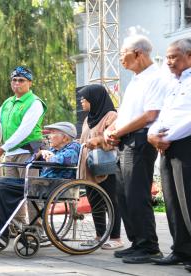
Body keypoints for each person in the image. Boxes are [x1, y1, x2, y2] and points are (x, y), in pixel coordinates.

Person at [104, 34, 166, 263]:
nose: (120, 58)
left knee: (136, 194)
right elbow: (126, 113)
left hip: (140, 140)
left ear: (138, 53)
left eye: (123, 53)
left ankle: (149, 246)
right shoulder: (136, 79)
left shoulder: (156, 77)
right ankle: (137, 242)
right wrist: (111, 131)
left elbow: (150, 115)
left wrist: (118, 132)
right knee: (123, 194)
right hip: (125, 140)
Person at [148, 38, 191, 272]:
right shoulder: (173, 83)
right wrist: (153, 134)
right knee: (172, 200)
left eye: (174, 57)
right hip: (168, 144)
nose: (169, 62)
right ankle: (181, 249)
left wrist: (168, 136)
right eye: (168, 57)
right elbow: (163, 115)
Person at [0, 122, 80, 240]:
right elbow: (29, 162)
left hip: (54, 185)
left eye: (53, 133)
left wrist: (46, 155)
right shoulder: (53, 149)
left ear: (65, 137)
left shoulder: (73, 146)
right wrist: (40, 153)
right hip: (42, 184)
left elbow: (65, 160)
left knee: (1, 188)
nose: (49, 136)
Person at [0, 66, 47, 224]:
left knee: (32, 193)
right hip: (10, 154)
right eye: (14, 80)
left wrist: (3, 147)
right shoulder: (9, 102)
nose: (17, 83)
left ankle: (37, 229)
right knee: (11, 193)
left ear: (30, 83)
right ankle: (18, 225)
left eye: (21, 80)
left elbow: (24, 131)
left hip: (28, 153)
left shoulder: (34, 103)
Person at [78, 84, 123, 250]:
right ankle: (100, 235)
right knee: (94, 200)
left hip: (106, 166)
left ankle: (116, 237)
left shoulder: (111, 116)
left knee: (111, 200)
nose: (82, 100)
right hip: (89, 168)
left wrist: (98, 141)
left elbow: (115, 138)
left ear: (95, 98)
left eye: (85, 98)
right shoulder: (88, 118)